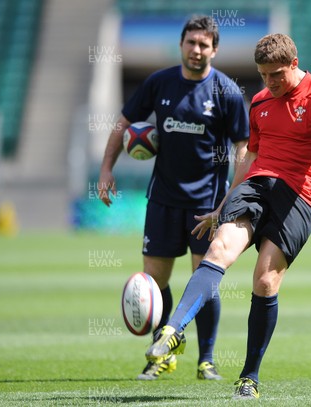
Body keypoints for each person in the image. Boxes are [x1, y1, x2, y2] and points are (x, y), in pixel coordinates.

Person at [144, 33, 311, 399]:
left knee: (264, 282)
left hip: (298, 199)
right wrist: (222, 204)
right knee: (218, 251)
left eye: (276, 74)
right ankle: (174, 330)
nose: (269, 83)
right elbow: (249, 157)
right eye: (263, 75)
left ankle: (249, 377)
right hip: (257, 187)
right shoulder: (260, 102)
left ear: (294, 64)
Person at [97, 15, 249, 381]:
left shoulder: (226, 91)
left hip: (206, 206)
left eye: (204, 45)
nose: (196, 50)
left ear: (214, 49)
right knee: (155, 280)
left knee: (205, 280)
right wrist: (106, 169)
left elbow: (242, 145)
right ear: (181, 44)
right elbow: (123, 123)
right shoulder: (158, 82)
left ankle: (206, 360)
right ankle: (160, 357)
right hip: (163, 200)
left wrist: (229, 199)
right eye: (191, 43)